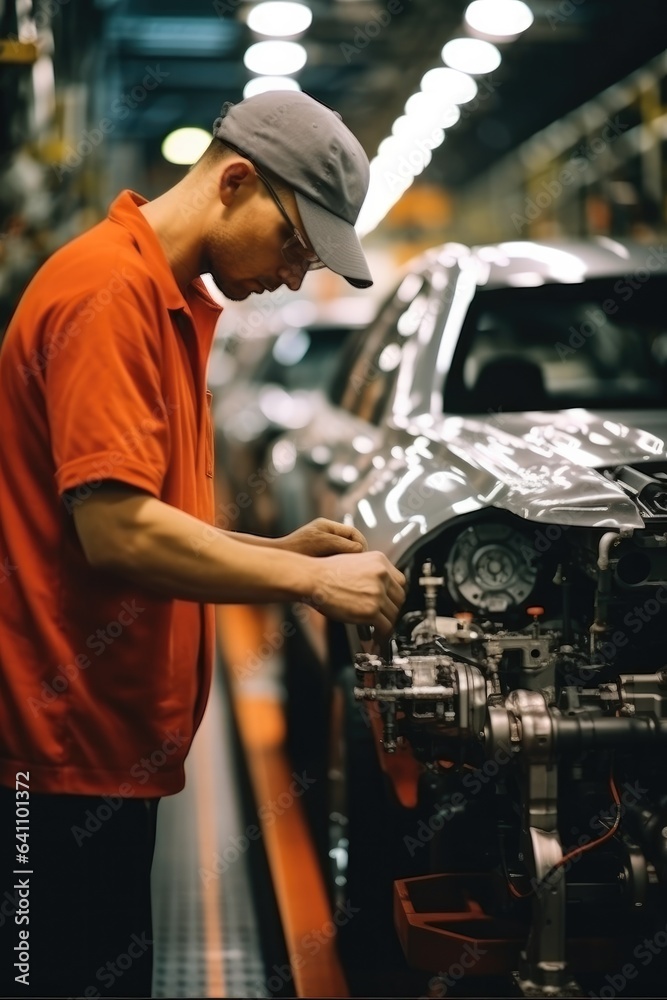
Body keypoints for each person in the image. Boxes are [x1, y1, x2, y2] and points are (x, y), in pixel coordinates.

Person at [0, 90, 406, 998]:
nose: (297, 276)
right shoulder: (111, 293)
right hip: (58, 752)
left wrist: (275, 544)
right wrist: (302, 579)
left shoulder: (161, 297)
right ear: (235, 181)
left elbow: (138, 507)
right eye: (297, 245)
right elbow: (116, 534)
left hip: (105, 744)